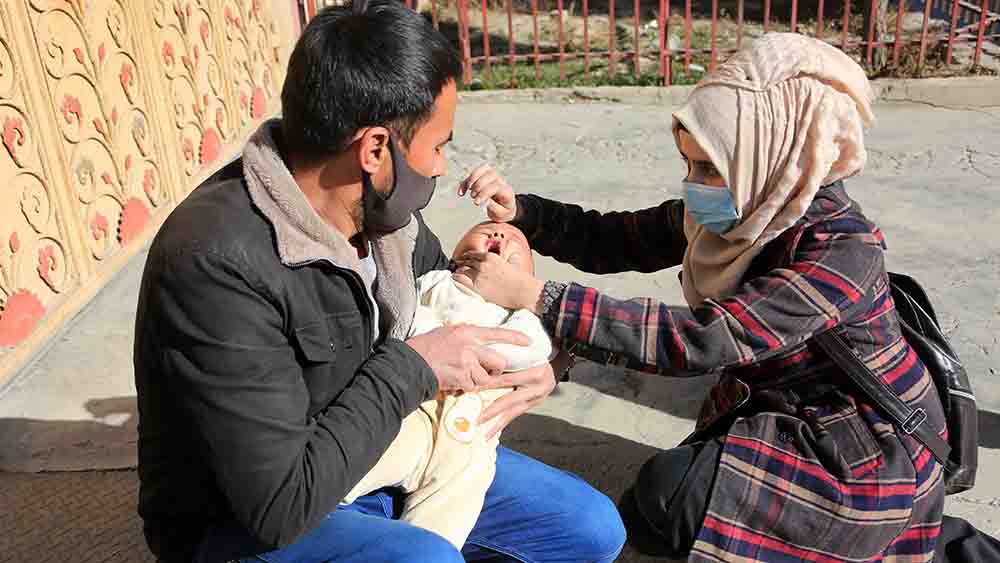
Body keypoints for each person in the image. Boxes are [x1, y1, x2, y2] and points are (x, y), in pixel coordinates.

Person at [132, 3, 625, 563]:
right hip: (252, 520)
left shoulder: (385, 218)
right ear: (374, 150)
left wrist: (546, 365)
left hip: (392, 448)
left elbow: (463, 304)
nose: (441, 167)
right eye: (437, 146)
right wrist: (413, 368)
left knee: (589, 529)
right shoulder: (215, 263)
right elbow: (276, 505)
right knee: (425, 559)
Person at [454, 33, 948, 562]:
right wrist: (526, 213)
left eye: (709, 168)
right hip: (785, 411)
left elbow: (705, 337)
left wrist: (538, 297)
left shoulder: (841, 250)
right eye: (689, 164)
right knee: (671, 497)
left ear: (772, 151)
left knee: (671, 499)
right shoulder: (748, 204)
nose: (694, 185)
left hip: (866, 450)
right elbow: (619, 238)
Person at [343, 221, 555, 550]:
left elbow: (530, 349)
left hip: (472, 442)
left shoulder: (524, 315)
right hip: (416, 413)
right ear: (456, 256)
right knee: (353, 462)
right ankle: (308, 509)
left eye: (515, 243)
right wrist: (440, 335)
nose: (499, 236)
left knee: (441, 532)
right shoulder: (436, 281)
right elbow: (403, 316)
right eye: (485, 230)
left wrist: (472, 346)